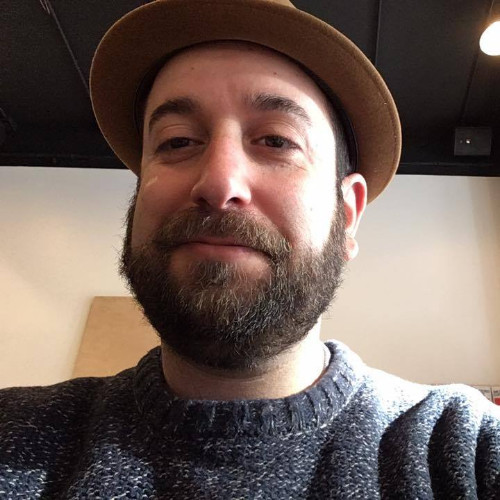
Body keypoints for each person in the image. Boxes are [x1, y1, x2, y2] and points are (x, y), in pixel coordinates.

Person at [1, 0, 499, 498]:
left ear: (347, 214)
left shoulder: (466, 449)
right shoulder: (13, 432)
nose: (218, 183)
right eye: (177, 142)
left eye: (277, 141)